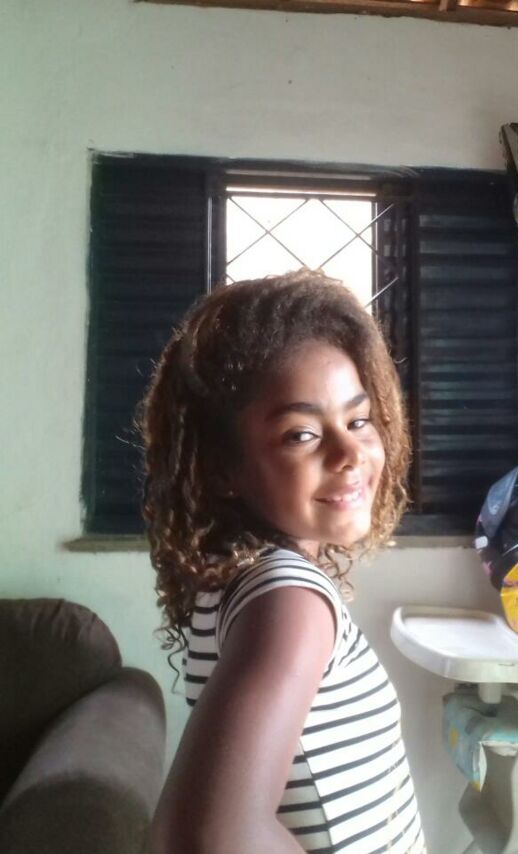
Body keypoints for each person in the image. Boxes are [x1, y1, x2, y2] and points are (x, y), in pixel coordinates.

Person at [140, 269, 426, 853]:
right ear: (223, 467)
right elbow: (209, 835)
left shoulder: (243, 583)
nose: (349, 453)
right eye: (301, 435)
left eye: (358, 420)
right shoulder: (288, 600)